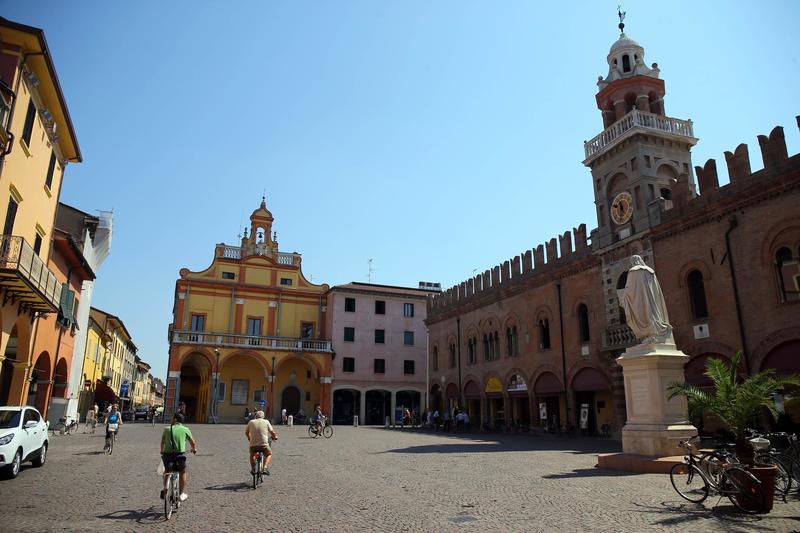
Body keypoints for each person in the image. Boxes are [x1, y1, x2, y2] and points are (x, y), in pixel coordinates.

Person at [160, 413, 198, 502]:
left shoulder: (167, 429)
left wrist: (162, 451)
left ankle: (165, 488)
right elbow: (193, 443)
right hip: (179, 456)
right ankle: (181, 494)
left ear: (175, 419)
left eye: (172, 418)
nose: (171, 420)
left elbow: (162, 442)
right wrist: (194, 449)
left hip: (167, 455)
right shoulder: (185, 429)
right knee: (182, 472)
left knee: (167, 471)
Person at [245, 410, 278, 475]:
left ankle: (253, 468)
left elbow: (246, 432)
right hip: (264, 444)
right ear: (263, 416)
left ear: (256, 416)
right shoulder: (266, 421)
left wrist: (249, 438)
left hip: (253, 444)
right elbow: (272, 432)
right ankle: (265, 467)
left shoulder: (251, 422)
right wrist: (275, 437)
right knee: (269, 454)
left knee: (252, 455)